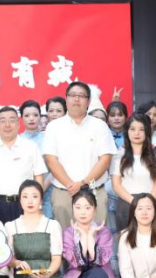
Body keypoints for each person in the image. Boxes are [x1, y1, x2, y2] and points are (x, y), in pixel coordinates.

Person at [42, 81, 117, 226]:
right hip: (64, 192)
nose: (77, 99)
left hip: (94, 189)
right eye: (73, 95)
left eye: (82, 96)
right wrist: (71, 185)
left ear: (88, 101)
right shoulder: (54, 127)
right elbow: (51, 160)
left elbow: (105, 160)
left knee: (96, 235)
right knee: (65, 236)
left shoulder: (100, 126)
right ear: (66, 99)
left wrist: (83, 183)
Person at [0, 106, 47, 224]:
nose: (7, 125)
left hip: (23, 204)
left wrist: (38, 204)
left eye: (12, 120)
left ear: (18, 124)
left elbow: (38, 176)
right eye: (2, 121)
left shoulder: (30, 147)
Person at [5, 180, 63, 278]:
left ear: (41, 200)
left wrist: (46, 274)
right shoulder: (11, 226)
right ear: (20, 200)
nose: (30, 201)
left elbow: (56, 259)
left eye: (35, 196)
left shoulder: (52, 225)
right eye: (25, 196)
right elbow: (9, 258)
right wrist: (17, 263)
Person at [110, 114, 156, 231]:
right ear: (127, 131)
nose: (137, 133)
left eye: (141, 129)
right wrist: (134, 202)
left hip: (149, 204)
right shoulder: (119, 155)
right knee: (125, 240)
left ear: (147, 132)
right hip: (126, 204)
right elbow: (116, 185)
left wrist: (148, 203)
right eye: (133, 129)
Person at [41, 96, 67, 220]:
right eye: (51, 111)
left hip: (63, 186)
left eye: (58, 111)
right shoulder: (43, 135)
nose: (54, 114)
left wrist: (42, 187)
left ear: (65, 112)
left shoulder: (68, 135)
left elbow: (57, 165)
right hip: (42, 187)